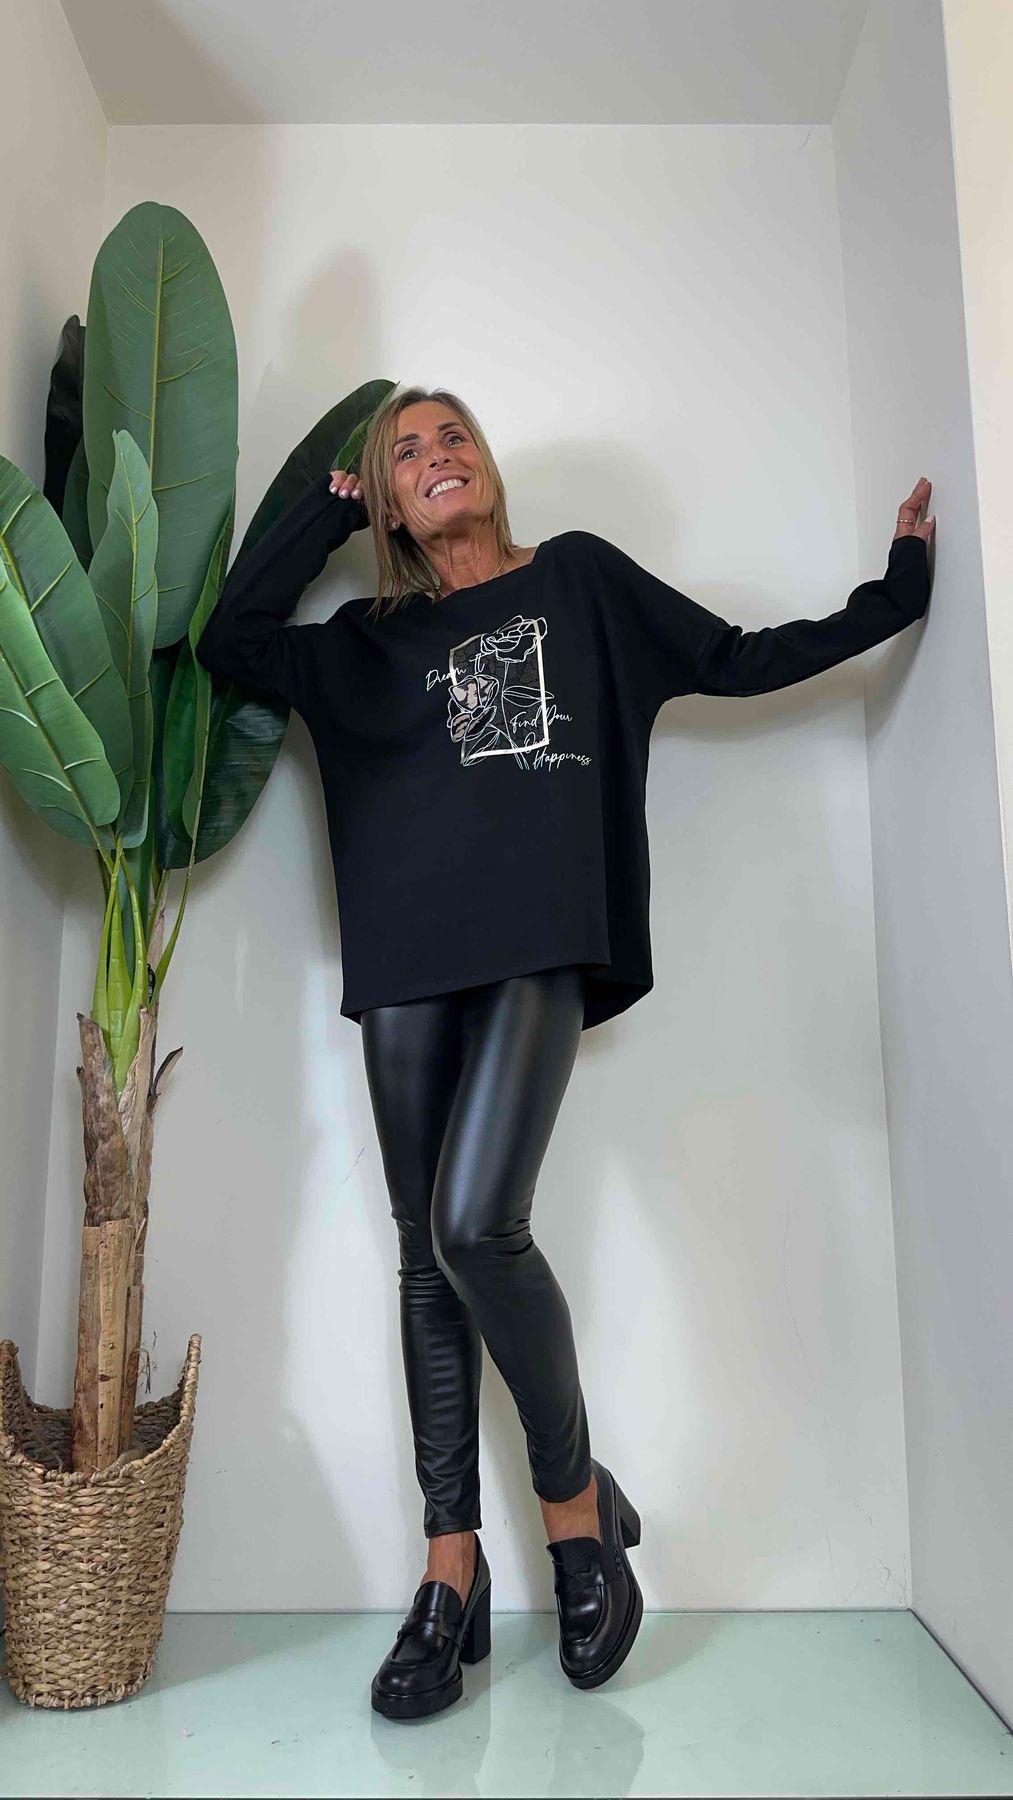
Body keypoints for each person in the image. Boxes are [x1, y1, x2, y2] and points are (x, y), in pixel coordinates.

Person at [195, 384, 935, 1720]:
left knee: (475, 1228)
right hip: (405, 960)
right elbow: (231, 640)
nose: (435, 458)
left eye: (452, 438)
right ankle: (448, 1569)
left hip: (538, 941)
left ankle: (573, 1510)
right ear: (391, 499)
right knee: (424, 1255)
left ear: (486, 466)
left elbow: (734, 657)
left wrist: (895, 594)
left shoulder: (579, 580)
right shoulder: (362, 643)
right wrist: (323, 513)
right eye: (405, 452)